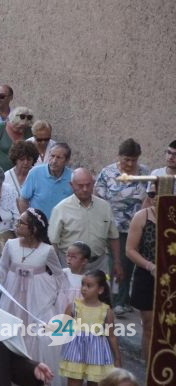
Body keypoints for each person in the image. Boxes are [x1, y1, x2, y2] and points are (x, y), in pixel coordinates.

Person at [0, 208, 67, 384]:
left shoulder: (47, 250)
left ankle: (36, 373)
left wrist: (52, 294)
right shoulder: (11, 245)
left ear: (33, 228)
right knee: (12, 331)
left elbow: (58, 274)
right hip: (13, 296)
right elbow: (3, 268)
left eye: (21, 222)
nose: (17, 225)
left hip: (37, 298)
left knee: (37, 336)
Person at [95, 138, 149, 316]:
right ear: (119, 157)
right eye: (126, 159)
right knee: (118, 264)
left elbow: (149, 198)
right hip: (115, 227)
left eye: (133, 160)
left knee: (132, 265)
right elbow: (99, 197)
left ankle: (126, 300)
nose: (130, 163)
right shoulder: (108, 173)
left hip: (138, 226)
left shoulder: (144, 173)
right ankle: (116, 300)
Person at [49, 168, 123, 278]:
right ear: (71, 185)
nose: (85, 189)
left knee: (101, 294)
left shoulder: (104, 207)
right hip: (70, 266)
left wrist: (117, 262)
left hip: (99, 264)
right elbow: (53, 242)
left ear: (93, 183)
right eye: (80, 185)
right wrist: (54, 268)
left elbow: (113, 237)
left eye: (88, 185)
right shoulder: (61, 209)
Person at [59, 270, 121, 383]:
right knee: (73, 382)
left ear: (100, 290)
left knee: (95, 382)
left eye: (89, 286)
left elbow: (111, 336)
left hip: (97, 354)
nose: (84, 288)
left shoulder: (106, 311)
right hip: (76, 352)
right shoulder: (73, 306)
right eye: (83, 284)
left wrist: (117, 358)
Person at [125, 196, 157, 361]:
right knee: (149, 325)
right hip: (147, 275)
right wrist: (150, 266)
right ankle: (150, 369)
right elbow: (130, 250)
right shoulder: (142, 216)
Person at [18, 142, 74, 218]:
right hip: (38, 226)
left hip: (62, 225)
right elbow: (23, 199)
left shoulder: (73, 177)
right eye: (52, 156)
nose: (54, 161)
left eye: (59, 157)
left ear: (67, 160)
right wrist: (27, 221)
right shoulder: (35, 172)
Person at [0, 106, 34, 171]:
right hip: (1, 172)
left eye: (24, 127)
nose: (22, 130)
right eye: (19, 127)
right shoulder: (0, 128)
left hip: (24, 172)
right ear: (12, 121)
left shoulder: (29, 131)